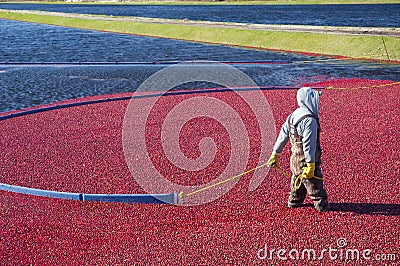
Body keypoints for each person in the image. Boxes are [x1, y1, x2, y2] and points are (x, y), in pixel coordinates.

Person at [267, 87, 329, 212]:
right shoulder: (309, 120)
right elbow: (308, 145)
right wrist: (311, 165)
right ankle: (322, 207)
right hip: (306, 162)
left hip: (295, 160)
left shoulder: (293, 116)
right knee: (315, 187)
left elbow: (283, 135)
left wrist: (276, 153)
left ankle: (294, 203)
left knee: (297, 181)